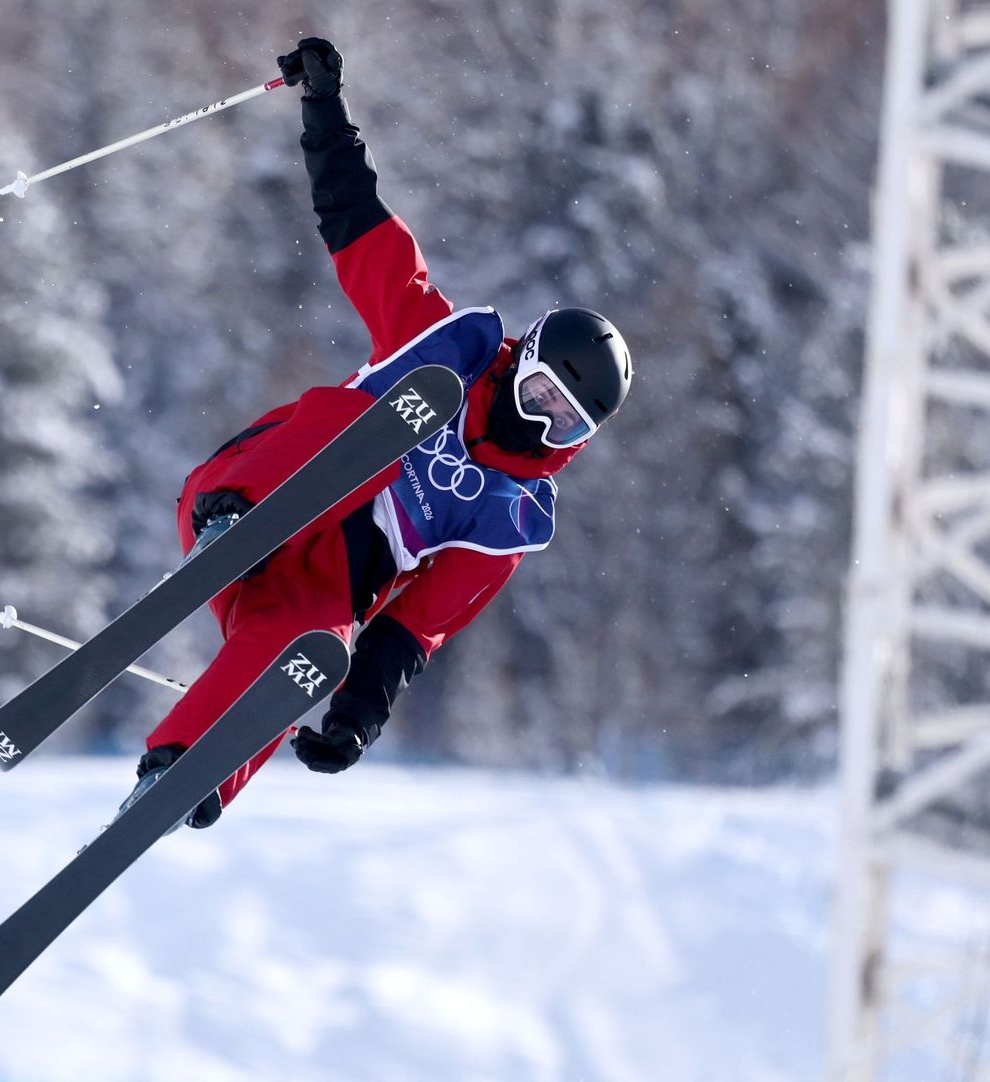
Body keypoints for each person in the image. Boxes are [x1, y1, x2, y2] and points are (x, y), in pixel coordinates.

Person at [122, 37, 634, 830]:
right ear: (521, 359)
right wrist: (323, 108)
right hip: (249, 493)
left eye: (564, 419)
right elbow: (358, 227)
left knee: (310, 644)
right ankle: (248, 523)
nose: (541, 422)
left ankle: (185, 771)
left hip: (319, 580)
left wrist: (358, 712)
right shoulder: (442, 346)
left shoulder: (511, 515)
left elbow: (417, 625)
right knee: (381, 428)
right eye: (540, 393)